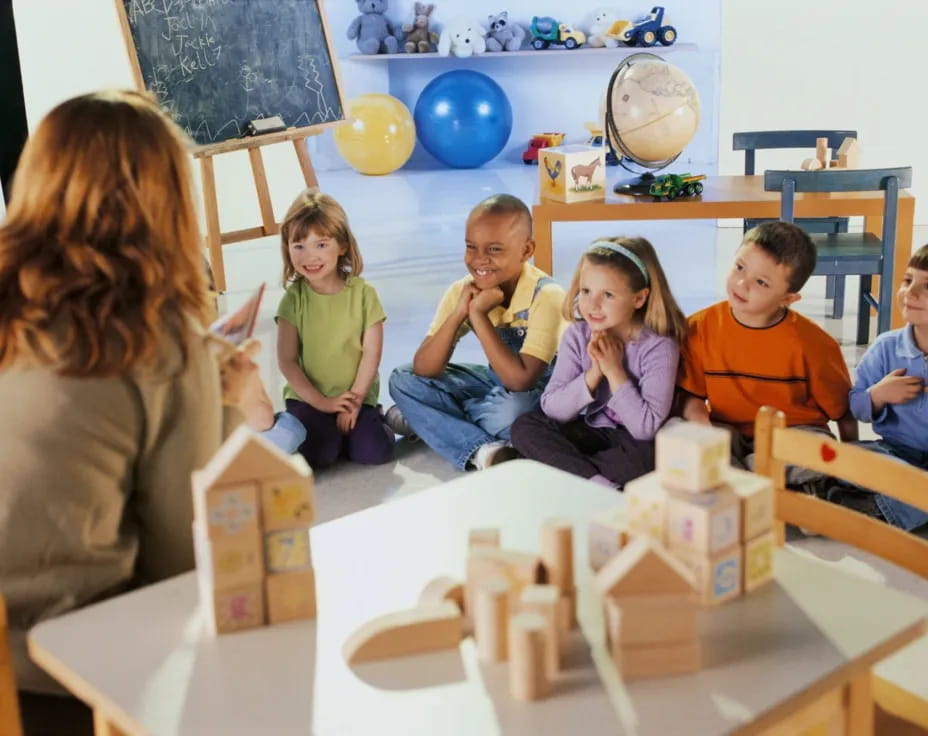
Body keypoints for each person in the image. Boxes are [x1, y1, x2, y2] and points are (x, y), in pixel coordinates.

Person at [0, 90, 266, 734]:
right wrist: (225, 404)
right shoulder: (156, 336)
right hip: (58, 672)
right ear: (169, 199)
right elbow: (184, 560)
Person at [388, 194, 567, 470]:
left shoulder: (547, 296)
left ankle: (430, 421)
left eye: (494, 249)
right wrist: (460, 311)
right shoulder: (462, 290)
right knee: (403, 379)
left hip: (540, 395)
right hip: (495, 384)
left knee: (514, 413)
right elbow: (424, 368)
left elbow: (521, 381)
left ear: (526, 250)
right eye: (471, 247)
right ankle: (486, 449)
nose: (479, 260)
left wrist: (478, 316)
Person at [679, 221, 858, 479]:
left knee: (820, 456)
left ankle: (738, 478)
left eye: (761, 282)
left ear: (787, 299)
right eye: (740, 267)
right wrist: (703, 430)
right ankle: (748, 477)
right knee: (675, 431)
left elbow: (843, 413)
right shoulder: (699, 327)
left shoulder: (816, 345)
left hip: (794, 436)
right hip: (728, 431)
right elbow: (690, 397)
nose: (742, 283)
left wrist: (852, 467)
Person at [511, 237, 687, 488]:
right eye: (585, 291)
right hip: (592, 428)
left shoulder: (659, 345)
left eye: (608, 295)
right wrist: (594, 373)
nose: (592, 305)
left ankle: (569, 472)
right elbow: (552, 407)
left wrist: (614, 371)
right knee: (526, 427)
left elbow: (644, 428)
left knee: (645, 463)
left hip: (634, 441)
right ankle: (599, 485)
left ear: (638, 299)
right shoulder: (577, 335)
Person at [268, 189, 394, 468]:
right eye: (298, 246)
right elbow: (287, 361)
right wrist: (323, 403)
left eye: (321, 245)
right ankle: (284, 427)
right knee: (320, 454)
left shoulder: (364, 294)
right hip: (308, 398)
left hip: (355, 395)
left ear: (343, 246)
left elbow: (371, 355)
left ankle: (382, 419)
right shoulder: (294, 299)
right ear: (287, 248)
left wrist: (355, 402)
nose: (309, 257)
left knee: (373, 453)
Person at [823, 244, 928, 531]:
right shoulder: (886, 347)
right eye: (908, 280)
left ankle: (865, 508)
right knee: (846, 457)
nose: (911, 292)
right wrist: (878, 395)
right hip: (891, 452)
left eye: (926, 286)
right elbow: (854, 405)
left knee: (921, 490)